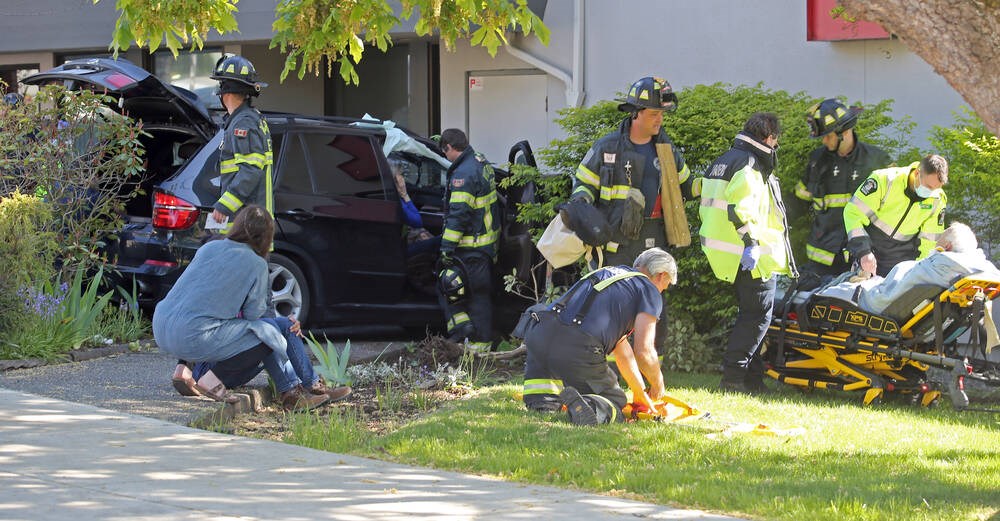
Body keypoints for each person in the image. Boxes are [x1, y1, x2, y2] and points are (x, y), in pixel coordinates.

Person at [569, 76, 698, 356]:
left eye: (661, 114)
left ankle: (652, 361)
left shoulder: (667, 151)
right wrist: (584, 211)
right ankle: (610, 365)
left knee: (652, 301)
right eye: (653, 114)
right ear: (635, 113)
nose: (659, 120)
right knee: (613, 303)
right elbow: (582, 186)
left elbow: (688, 187)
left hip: (654, 240)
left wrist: (719, 181)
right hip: (615, 243)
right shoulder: (607, 148)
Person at [154, 206, 327, 411]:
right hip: (196, 337)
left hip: (162, 326)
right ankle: (215, 380)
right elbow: (254, 315)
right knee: (268, 332)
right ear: (266, 237)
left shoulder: (209, 248)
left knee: (262, 327)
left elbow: (195, 298)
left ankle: (183, 370)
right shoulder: (256, 263)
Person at [699, 112, 798, 394]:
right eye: (775, 140)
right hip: (751, 255)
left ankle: (752, 380)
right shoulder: (750, 165)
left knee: (749, 315)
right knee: (758, 316)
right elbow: (740, 208)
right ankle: (733, 379)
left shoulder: (724, 160)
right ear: (769, 138)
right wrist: (751, 243)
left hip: (727, 254)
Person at [521, 247, 675, 425]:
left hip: (540, 333)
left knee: (545, 403)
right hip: (577, 345)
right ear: (661, 275)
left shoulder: (609, 274)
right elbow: (644, 352)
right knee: (616, 405)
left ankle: (542, 404)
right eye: (666, 285)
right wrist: (658, 384)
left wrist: (640, 393)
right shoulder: (649, 290)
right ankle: (590, 406)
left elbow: (623, 352)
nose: (663, 291)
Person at [796, 99, 890, 278]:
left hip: (863, 257)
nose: (824, 141)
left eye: (828, 135)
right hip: (821, 260)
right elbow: (799, 202)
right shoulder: (817, 161)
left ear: (844, 133)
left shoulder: (877, 161)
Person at [824, 223, 999, 314]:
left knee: (825, 293)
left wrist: (868, 284)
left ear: (946, 246)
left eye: (938, 242)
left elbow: (886, 297)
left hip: (873, 302)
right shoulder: (975, 269)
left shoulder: (940, 264)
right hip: (897, 302)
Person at [189, 315, 353, 407]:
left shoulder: (254, 274)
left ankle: (313, 385)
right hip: (213, 371)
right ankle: (290, 394)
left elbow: (261, 315)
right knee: (264, 330)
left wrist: (291, 324)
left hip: (241, 360)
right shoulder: (225, 284)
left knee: (285, 324)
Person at [436, 128, 501, 351]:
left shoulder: (463, 174)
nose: (445, 157)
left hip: (471, 248)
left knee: (471, 293)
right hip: (485, 245)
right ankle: (467, 333)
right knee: (477, 294)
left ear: (449, 148)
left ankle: (478, 344)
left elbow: (458, 216)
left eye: (445, 152)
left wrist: (446, 248)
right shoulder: (479, 162)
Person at [843, 154, 948, 278]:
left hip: (900, 260)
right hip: (869, 248)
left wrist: (920, 269)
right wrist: (863, 251)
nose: (931, 192)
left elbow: (929, 241)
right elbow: (853, 213)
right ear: (917, 173)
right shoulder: (885, 179)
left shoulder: (937, 199)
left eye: (936, 188)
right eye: (929, 187)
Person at [208, 54, 273, 231]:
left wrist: (224, 206)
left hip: (246, 226)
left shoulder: (243, 123)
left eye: (221, 85)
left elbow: (250, 170)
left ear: (226, 91)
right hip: (249, 224)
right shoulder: (247, 120)